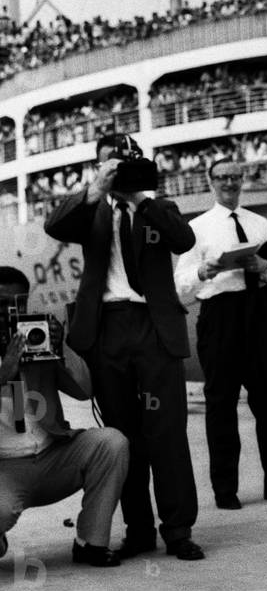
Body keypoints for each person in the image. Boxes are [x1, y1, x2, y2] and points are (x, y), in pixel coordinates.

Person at [44, 134, 203, 561]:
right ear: (97, 166)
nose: (119, 168)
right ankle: (138, 530)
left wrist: (140, 199)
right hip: (106, 329)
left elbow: (183, 240)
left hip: (154, 327)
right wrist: (97, 188)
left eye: (125, 160)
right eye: (109, 162)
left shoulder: (157, 207)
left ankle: (178, 529)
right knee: (123, 435)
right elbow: (54, 225)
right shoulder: (90, 209)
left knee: (167, 432)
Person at [174, 158, 267, 509]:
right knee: (221, 402)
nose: (229, 183)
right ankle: (225, 489)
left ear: (242, 180)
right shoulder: (196, 229)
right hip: (220, 314)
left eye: (234, 176)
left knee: (266, 399)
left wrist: (264, 266)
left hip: (259, 309)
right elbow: (180, 283)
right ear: (210, 181)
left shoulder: (259, 223)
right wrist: (204, 270)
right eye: (222, 177)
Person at [0, 268, 128, 566]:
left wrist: (61, 349)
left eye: (16, 303)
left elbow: (85, 390)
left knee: (111, 443)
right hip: (4, 468)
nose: (8, 311)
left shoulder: (36, 337)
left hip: (51, 457)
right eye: (0, 303)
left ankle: (90, 543)